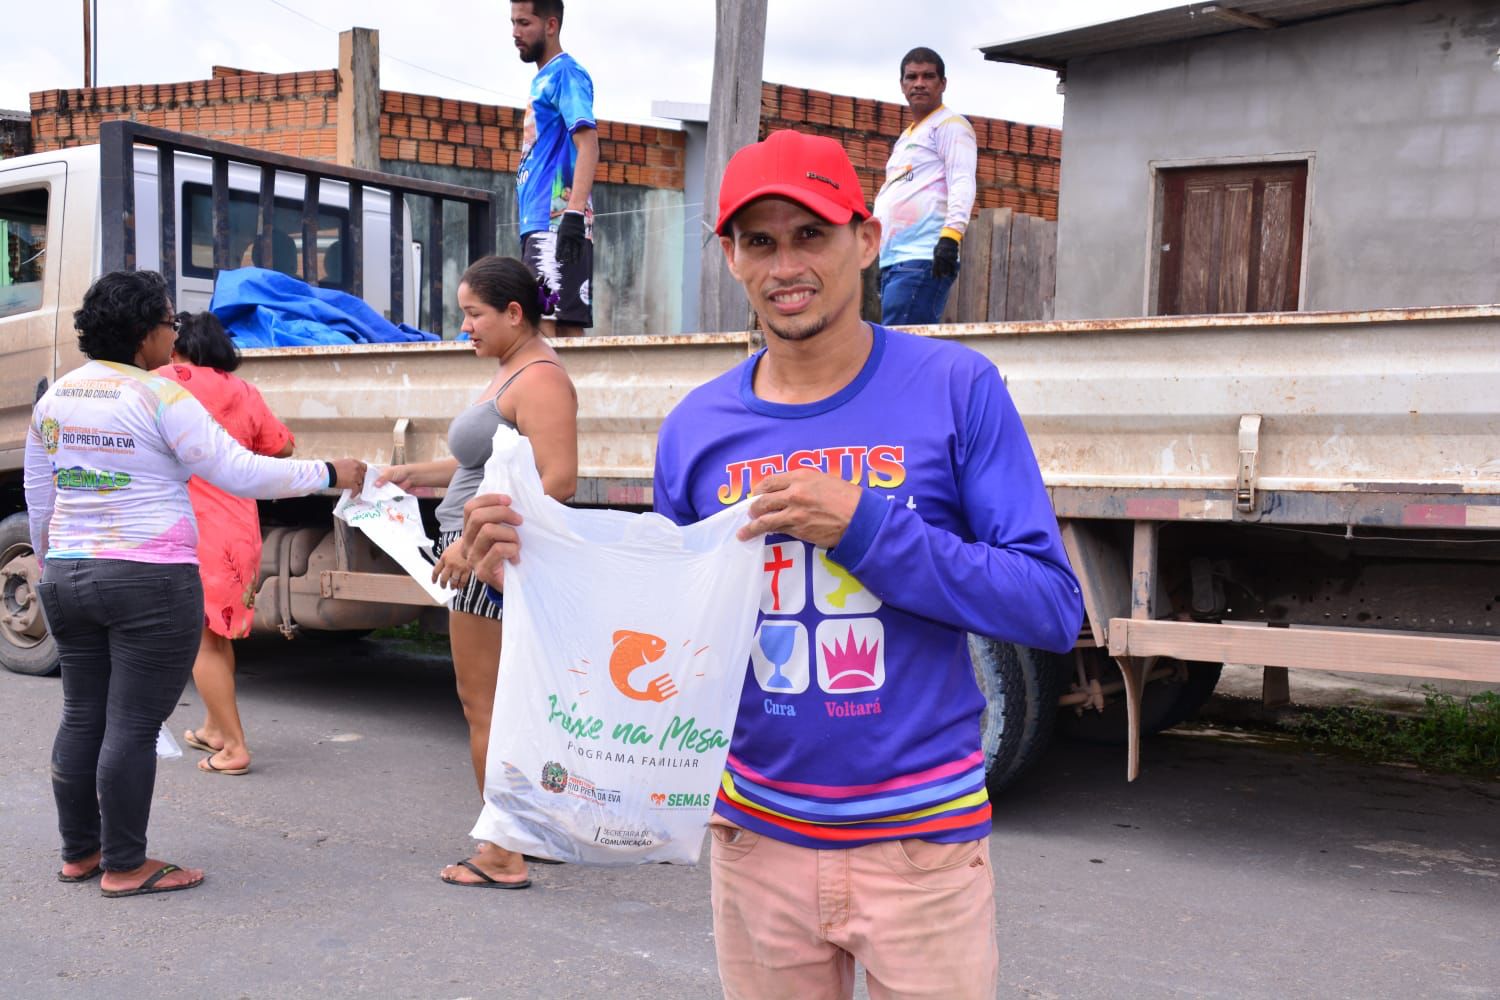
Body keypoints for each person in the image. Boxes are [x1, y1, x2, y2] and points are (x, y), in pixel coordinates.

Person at [463, 130, 1084, 998]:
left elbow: (1051, 607)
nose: (786, 263)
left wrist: (868, 527)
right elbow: (670, 637)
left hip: (920, 845)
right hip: (756, 838)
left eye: (811, 233)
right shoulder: (698, 427)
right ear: (729, 256)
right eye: (760, 240)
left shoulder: (957, 388)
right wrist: (538, 577)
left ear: (865, 240)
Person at [24, 270, 365, 898]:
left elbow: (40, 496)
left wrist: (54, 564)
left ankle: (81, 852)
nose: (172, 334)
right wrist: (330, 472)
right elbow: (236, 471)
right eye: (168, 322)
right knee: (130, 723)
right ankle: (126, 865)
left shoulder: (56, 398)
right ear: (145, 332)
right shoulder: (161, 397)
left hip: (69, 573)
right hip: (149, 579)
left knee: (82, 715)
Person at [376, 255, 577, 889]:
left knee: (484, 704)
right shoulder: (509, 370)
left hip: (493, 562)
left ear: (514, 313)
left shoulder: (539, 377)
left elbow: (558, 481)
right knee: (508, 705)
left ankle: (500, 853)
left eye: (473, 314)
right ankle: (527, 830)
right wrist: (414, 475)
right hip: (481, 552)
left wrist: (473, 540)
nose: (465, 327)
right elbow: (479, 464)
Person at [156, 312, 297, 776]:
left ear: (176, 347)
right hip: (240, 529)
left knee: (201, 641)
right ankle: (216, 729)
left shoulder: (168, 379)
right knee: (218, 637)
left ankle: (234, 747)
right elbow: (282, 447)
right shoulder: (243, 391)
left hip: (197, 530)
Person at [510, 0, 599, 337]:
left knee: (546, 334)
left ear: (550, 25)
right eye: (513, 23)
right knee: (556, 332)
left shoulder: (566, 73)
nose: (516, 33)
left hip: (556, 220)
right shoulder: (543, 79)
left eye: (524, 23)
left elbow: (588, 143)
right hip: (542, 222)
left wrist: (573, 214)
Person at [872, 46, 978, 327]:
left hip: (922, 256)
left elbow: (962, 181)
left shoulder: (950, 126)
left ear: (942, 83)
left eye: (928, 76)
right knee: (902, 347)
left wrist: (950, 238)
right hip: (895, 261)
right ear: (902, 85)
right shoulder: (907, 136)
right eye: (912, 77)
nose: (919, 83)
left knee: (903, 351)